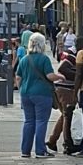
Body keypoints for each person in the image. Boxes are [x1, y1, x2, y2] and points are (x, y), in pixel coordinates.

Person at [16, 30, 56, 158]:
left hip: (26, 94)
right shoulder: (44, 59)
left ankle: (25, 151)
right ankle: (40, 150)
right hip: (42, 94)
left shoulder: (24, 59)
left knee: (29, 121)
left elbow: (18, 78)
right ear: (42, 44)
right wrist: (60, 77)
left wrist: (21, 89)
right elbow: (50, 76)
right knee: (41, 121)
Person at [48, 41, 80, 155]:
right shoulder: (72, 54)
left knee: (65, 115)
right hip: (65, 89)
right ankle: (67, 144)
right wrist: (79, 75)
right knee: (68, 115)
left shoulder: (72, 53)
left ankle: (52, 140)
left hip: (62, 88)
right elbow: (62, 69)